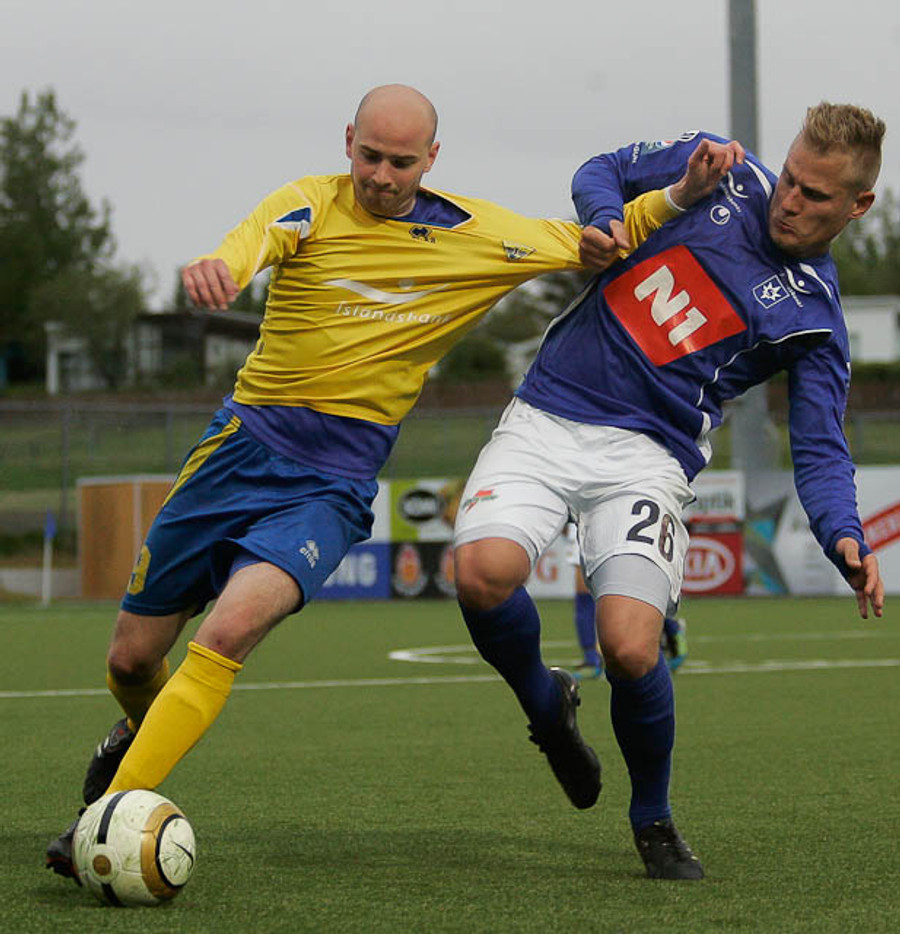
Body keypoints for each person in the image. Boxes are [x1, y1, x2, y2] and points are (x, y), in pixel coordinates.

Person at [46, 84, 680, 880]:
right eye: (370, 156)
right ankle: (136, 734)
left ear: (432, 158)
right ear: (348, 140)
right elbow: (250, 242)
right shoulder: (311, 205)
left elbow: (599, 239)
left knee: (227, 635)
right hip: (236, 453)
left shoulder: (486, 236)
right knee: (130, 662)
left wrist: (682, 193)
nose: (381, 176)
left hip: (331, 484)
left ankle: (103, 820)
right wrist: (221, 268)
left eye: (401, 162)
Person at [453, 102, 885, 881]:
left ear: (859, 206)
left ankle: (651, 817)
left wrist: (843, 533)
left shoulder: (816, 319)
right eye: (791, 176)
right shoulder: (719, 169)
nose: (789, 200)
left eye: (815, 195)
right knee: (482, 575)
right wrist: (604, 219)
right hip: (549, 411)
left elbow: (821, 446)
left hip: (648, 458)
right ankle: (546, 706)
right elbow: (604, 170)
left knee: (628, 646)